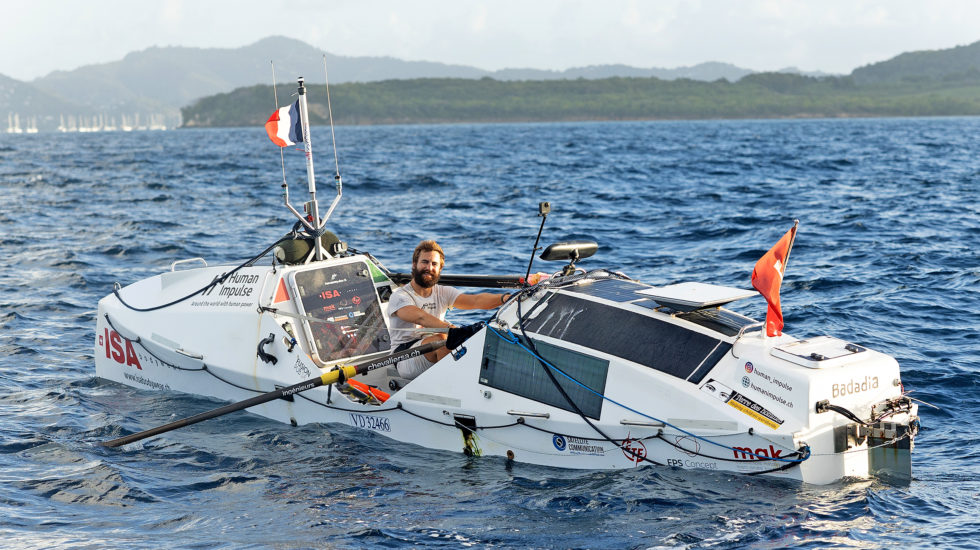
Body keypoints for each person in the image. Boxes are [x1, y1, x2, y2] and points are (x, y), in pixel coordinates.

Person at [388, 240, 510, 380]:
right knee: (444, 339)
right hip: (404, 355)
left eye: (434, 264)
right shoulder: (400, 296)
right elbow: (420, 317)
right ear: (414, 264)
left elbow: (475, 301)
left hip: (433, 344)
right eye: (425, 262)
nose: (429, 267)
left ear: (440, 269)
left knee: (464, 341)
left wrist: (505, 298)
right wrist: (452, 329)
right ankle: (450, 386)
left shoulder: (443, 292)